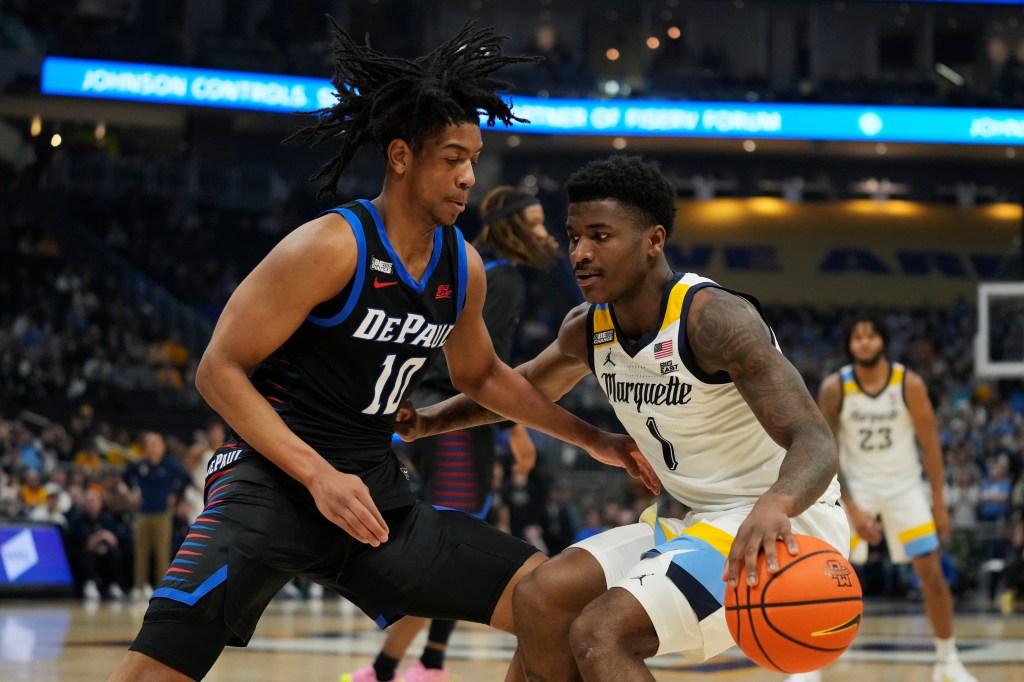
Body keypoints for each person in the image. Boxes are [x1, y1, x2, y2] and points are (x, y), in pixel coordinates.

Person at [105, 21, 655, 682]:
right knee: (146, 676)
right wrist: (316, 476)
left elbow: (481, 375)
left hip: (372, 495)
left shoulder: (463, 266)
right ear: (400, 157)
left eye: (473, 160)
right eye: (452, 158)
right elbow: (217, 371)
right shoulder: (331, 247)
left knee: (555, 605)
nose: (468, 177)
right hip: (269, 485)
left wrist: (592, 437)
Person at [395, 155, 848, 681]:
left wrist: (777, 504)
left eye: (601, 236)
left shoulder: (713, 320)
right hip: (692, 521)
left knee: (600, 634)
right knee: (540, 598)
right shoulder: (588, 329)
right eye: (573, 237)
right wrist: (428, 421)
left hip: (780, 522)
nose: (580, 253)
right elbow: (514, 392)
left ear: (653, 241)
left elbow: (815, 440)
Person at [343, 185, 558, 682]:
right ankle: (391, 668)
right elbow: (489, 371)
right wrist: (518, 429)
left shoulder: (480, 271)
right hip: (453, 423)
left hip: (436, 417)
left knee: (452, 552)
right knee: (447, 553)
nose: (547, 233)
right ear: (513, 227)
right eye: (538, 222)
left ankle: (419, 664)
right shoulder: (500, 282)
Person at [792, 316, 976, 682]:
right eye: (857, 336)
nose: (864, 341)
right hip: (855, 488)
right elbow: (827, 449)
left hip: (905, 488)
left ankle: (947, 659)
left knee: (932, 574)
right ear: (849, 344)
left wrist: (939, 504)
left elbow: (931, 445)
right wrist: (854, 507)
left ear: (883, 341)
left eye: (871, 334)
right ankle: (810, 665)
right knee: (823, 572)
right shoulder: (834, 387)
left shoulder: (909, 384)